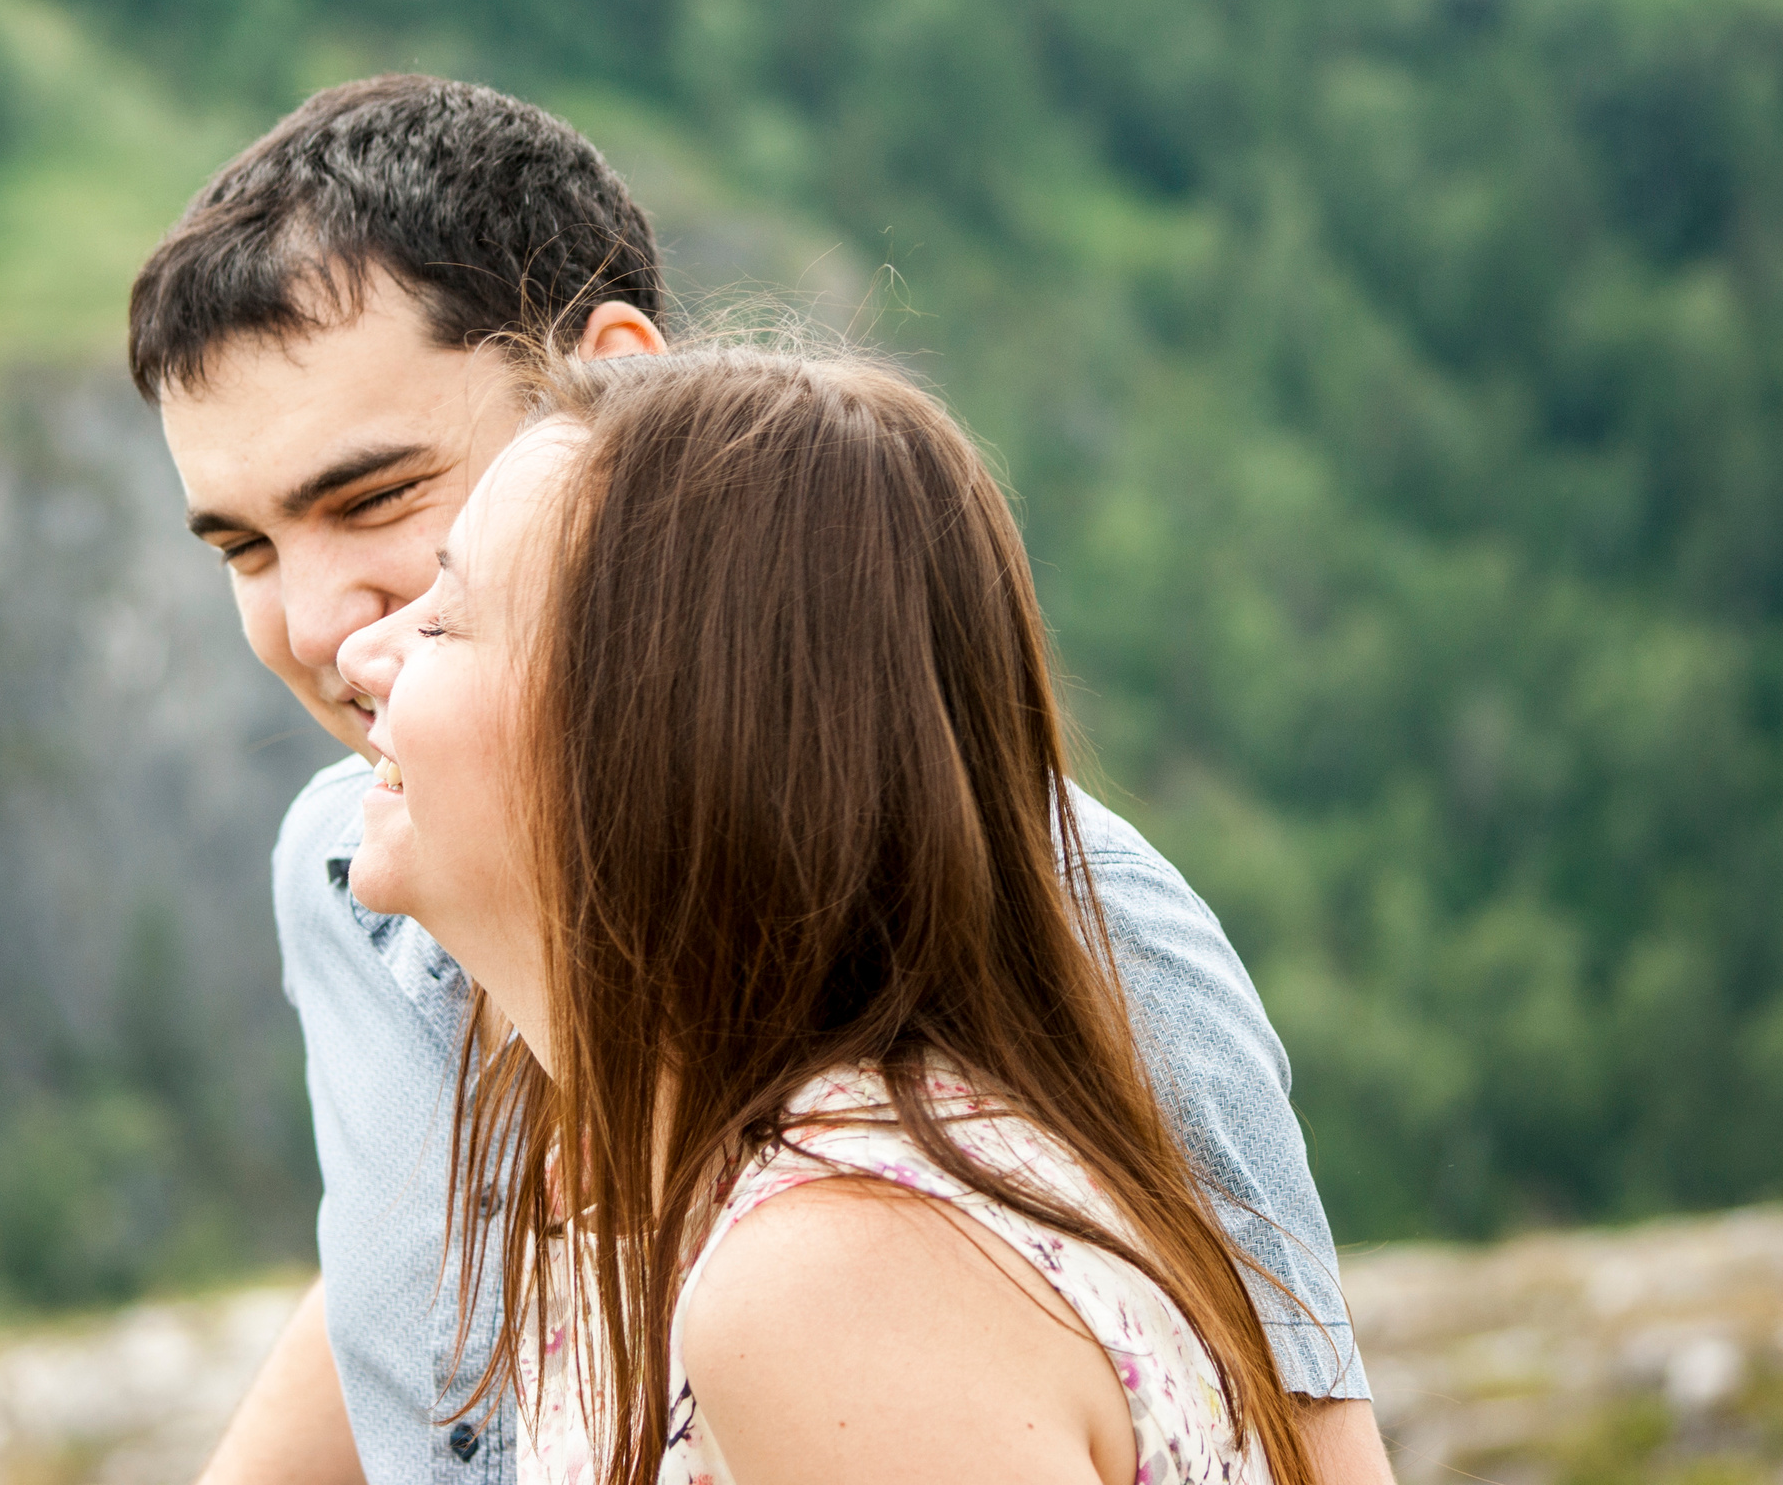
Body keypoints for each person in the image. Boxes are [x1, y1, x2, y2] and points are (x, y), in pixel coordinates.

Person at [128, 74, 1391, 1485]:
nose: (318, 627)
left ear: (615, 383)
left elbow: (1292, 1429)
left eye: (376, 498)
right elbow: (401, 1294)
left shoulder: (1049, 908)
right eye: (244, 550)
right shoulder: (350, 864)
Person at [339, 345, 1317, 1485]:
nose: (360, 654)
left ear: (653, 740)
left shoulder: (838, 1279)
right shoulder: (711, 1195)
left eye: (448, 621)